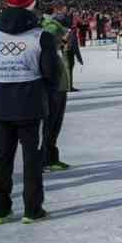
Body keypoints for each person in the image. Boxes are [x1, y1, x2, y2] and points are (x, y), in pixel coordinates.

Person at [0, 0, 58, 225]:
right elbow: (51, 73)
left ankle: (0, 209)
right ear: (32, 6)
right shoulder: (41, 36)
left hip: (1, 102)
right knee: (32, 159)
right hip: (30, 103)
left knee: (2, 158)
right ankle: (32, 210)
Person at [40, 9, 73, 172]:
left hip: (58, 86)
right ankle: (46, 159)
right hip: (53, 87)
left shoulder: (55, 33)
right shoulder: (52, 30)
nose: (68, 34)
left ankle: (51, 157)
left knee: (54, 125)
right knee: (51, 124)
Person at [65, 18, 83, 91]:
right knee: (69, 69)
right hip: (69, 52)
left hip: (65, 51)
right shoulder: (73, 32)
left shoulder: (66, 30)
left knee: (67, 69)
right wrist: (79, 58)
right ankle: (69, 87)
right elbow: (74, 46)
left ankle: (67, 86)